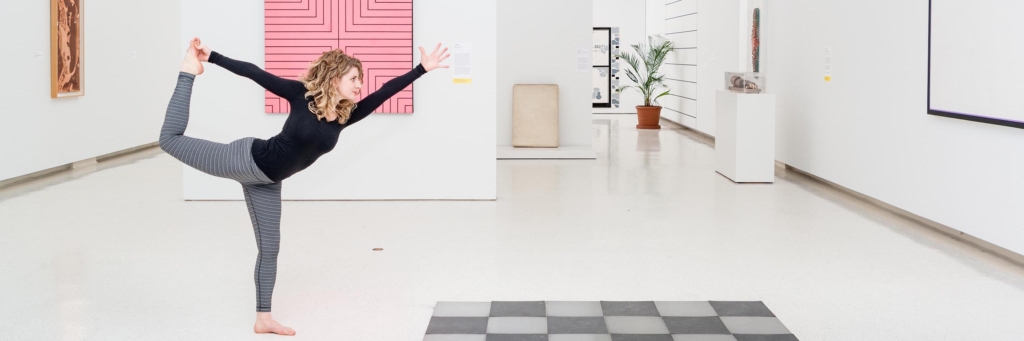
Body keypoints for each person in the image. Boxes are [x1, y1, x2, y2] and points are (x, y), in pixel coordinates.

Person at [160, 38, 449, 335]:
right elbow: (254, 72)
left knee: (270, 249)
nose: (359, 84)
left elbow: (384, 93)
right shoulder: (301, 96)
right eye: (353, 78)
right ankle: (187, 71)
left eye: (360, 80)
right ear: (334, 78)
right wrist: (213, 57)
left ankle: (263, 319)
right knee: (169, 140)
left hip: (268, 183)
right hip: (244, 159)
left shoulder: (343, 118)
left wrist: (420, 70)